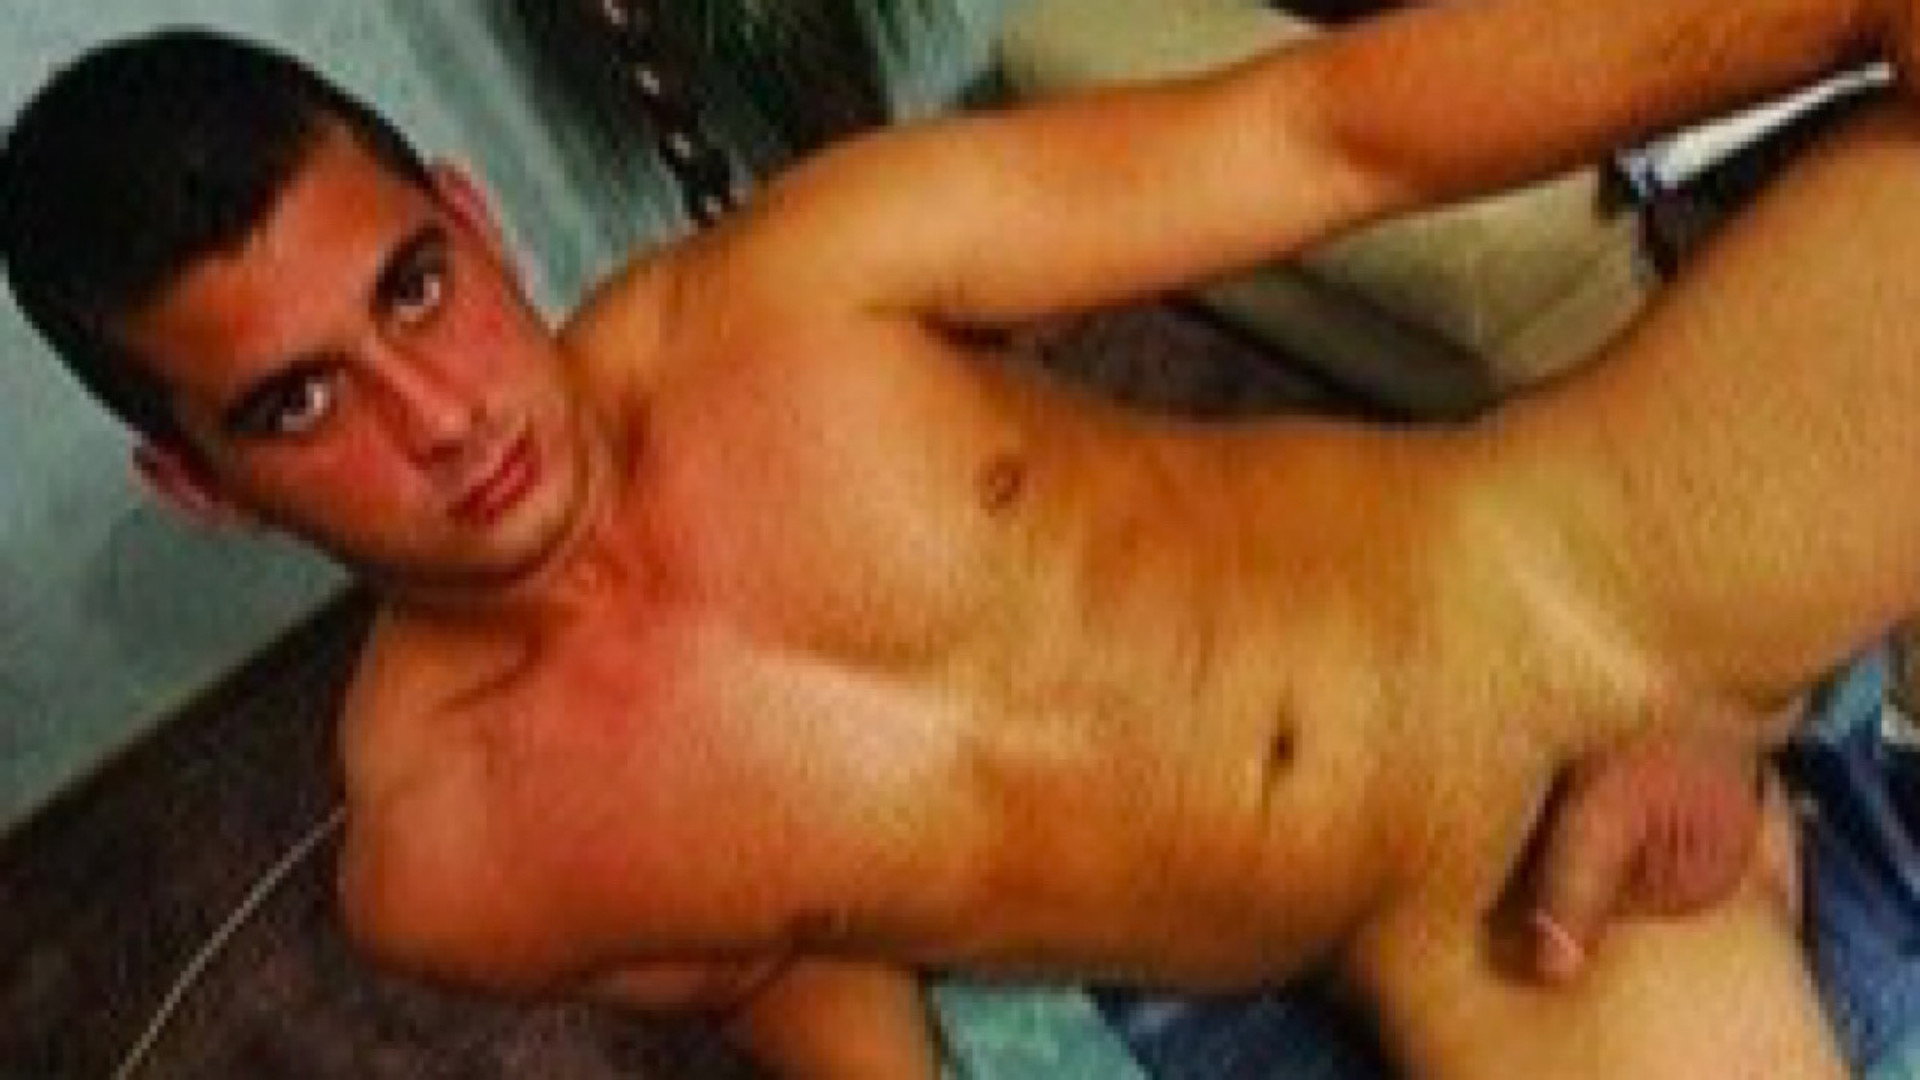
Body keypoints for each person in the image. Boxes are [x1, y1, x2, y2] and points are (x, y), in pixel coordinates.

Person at [5, 0, 1918, 1073]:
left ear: (471, 215)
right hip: (1490, 936)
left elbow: (1324, 132)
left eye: (416, 287)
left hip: (1574, 560)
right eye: (298, 403)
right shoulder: (446, 863)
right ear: (203, 485)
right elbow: (766, 953)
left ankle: (1774, 740)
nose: (442, 419)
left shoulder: (797, 286)